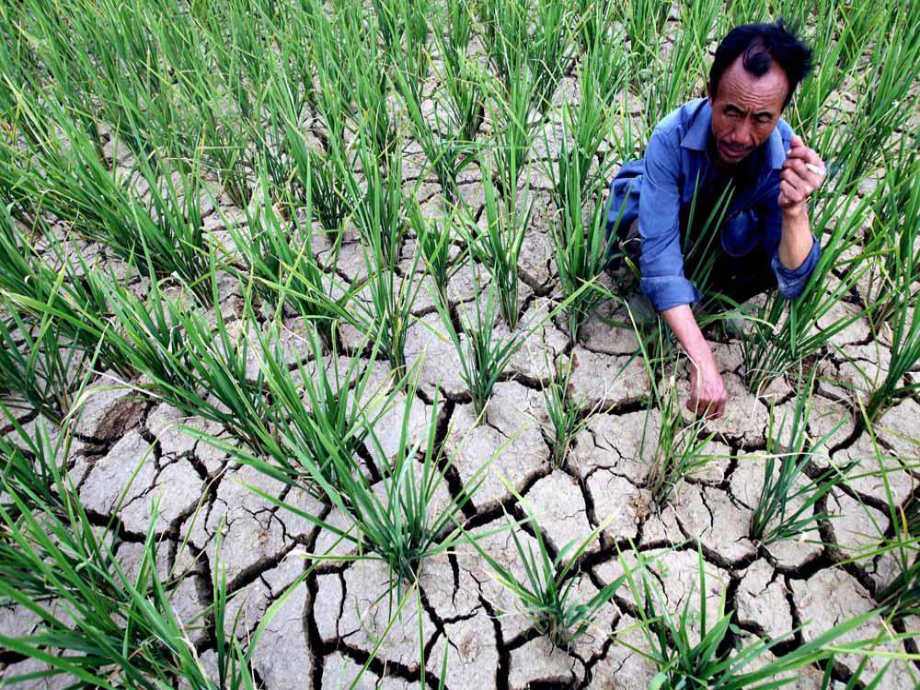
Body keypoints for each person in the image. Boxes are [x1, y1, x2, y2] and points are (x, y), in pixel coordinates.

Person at [603, 19, 826, 420]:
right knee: (635, 242)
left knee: (761, 260)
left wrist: (795, 209)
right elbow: (659, 259)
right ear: (710, 95)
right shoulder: (671, 137)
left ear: (780, 112)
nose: (741, 134)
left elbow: (793, 282)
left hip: (720, 236)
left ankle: (704, 287)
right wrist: (701, 357)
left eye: (761, 118)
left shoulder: (783, 158)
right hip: (660, 221)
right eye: (732, 112)